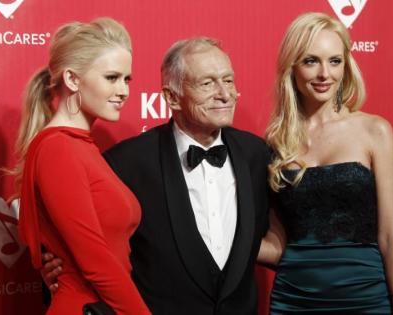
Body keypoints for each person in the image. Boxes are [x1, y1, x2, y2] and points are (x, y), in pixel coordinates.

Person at [43, 37, 270, 314]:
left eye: (229, 81)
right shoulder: (124, 163)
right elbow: (87, 249)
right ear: (171, 97)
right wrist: (58, 273)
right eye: (207, 83)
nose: (224, 93)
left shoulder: (256, 154)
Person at [259, 12, 393, 314]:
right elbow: (277, 242)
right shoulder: (275, 143)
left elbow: (391, 233)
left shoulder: (375, 131)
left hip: (365, 297)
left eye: (335, 61)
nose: (324, 74)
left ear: (346, 65)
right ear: (293, 67)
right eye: (311, 61)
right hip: (294, 299)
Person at [15, 18, 150, 314]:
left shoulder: (80, 146)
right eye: (112, 77)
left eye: (127, 79)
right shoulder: (58, 148)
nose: (124, 90)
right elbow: (95, 260)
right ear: (73, 79)